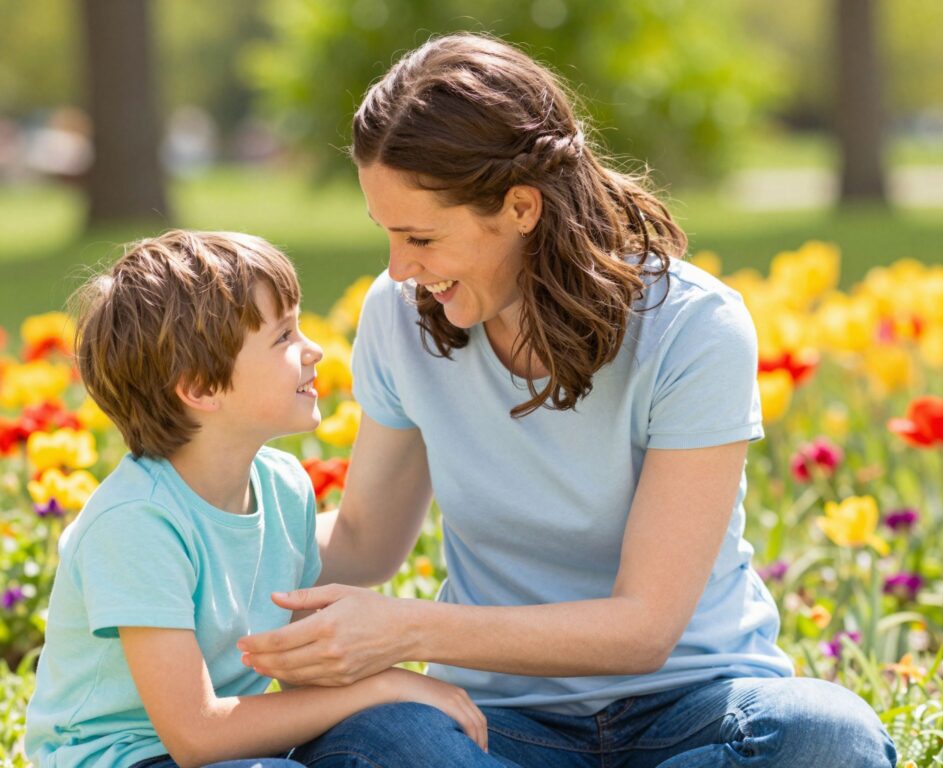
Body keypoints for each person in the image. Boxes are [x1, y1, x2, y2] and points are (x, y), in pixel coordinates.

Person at [238, 34, 898, 767]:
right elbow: (365, 538)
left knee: (826, 739)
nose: (400, 268)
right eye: (387, 234)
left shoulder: (693, 328)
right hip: (499, 719)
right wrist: (187, 540)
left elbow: (643, 629)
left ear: (521, 207)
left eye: (420, 235)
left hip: (692, 707)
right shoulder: (400, 317)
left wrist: (408, 630)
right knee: (380, 737)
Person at [24, 230, 490, 768]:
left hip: (230, 755)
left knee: (405, 729)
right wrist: (380, 687)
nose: (313, 350)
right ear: (201, 387)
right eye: (284, 336)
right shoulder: (138, 524)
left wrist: (386, 698)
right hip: (122, 758)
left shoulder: (281, 486)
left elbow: (297, 674)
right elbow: (197, 735)